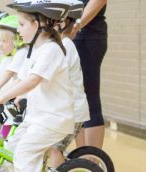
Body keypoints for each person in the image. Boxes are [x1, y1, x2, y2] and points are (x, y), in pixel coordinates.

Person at [0, 0, 74, 171]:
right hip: (36, 117)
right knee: (9, 151)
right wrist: (8, 97)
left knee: (24, 156)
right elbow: (21, 80)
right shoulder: (36, 50)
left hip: (52, 119)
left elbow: (32, 81)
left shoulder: (51, 50)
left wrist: (1, 99)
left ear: (37, 24)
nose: (18, 30)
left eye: (21, 24)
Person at [47, 1, 90, 170]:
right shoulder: (61, 44)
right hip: (68, 109)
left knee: (54, 148)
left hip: (71, 111)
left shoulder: (64, 45)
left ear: (61, 23)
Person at [70, 0, 108, 149]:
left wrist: (77, 24)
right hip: (71, 35)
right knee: (76, 100)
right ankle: (83, 156)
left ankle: (93, 161)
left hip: (86, 34)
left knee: (88, 100)